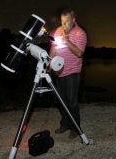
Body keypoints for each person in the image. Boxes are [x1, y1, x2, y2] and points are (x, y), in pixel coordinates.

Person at [49, 8, 87, 139]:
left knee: (72, 102)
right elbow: (53, 49)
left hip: (72, 73)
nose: (64, 25)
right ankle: (65, 124)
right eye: (62, 21)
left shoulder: (80, 33)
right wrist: (48, 64)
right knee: (61, 101)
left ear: (73, 20)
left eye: (67, 22)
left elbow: (79, 53)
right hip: (58, 72)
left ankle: (76, 128)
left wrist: (67, 42)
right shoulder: (58, 31)